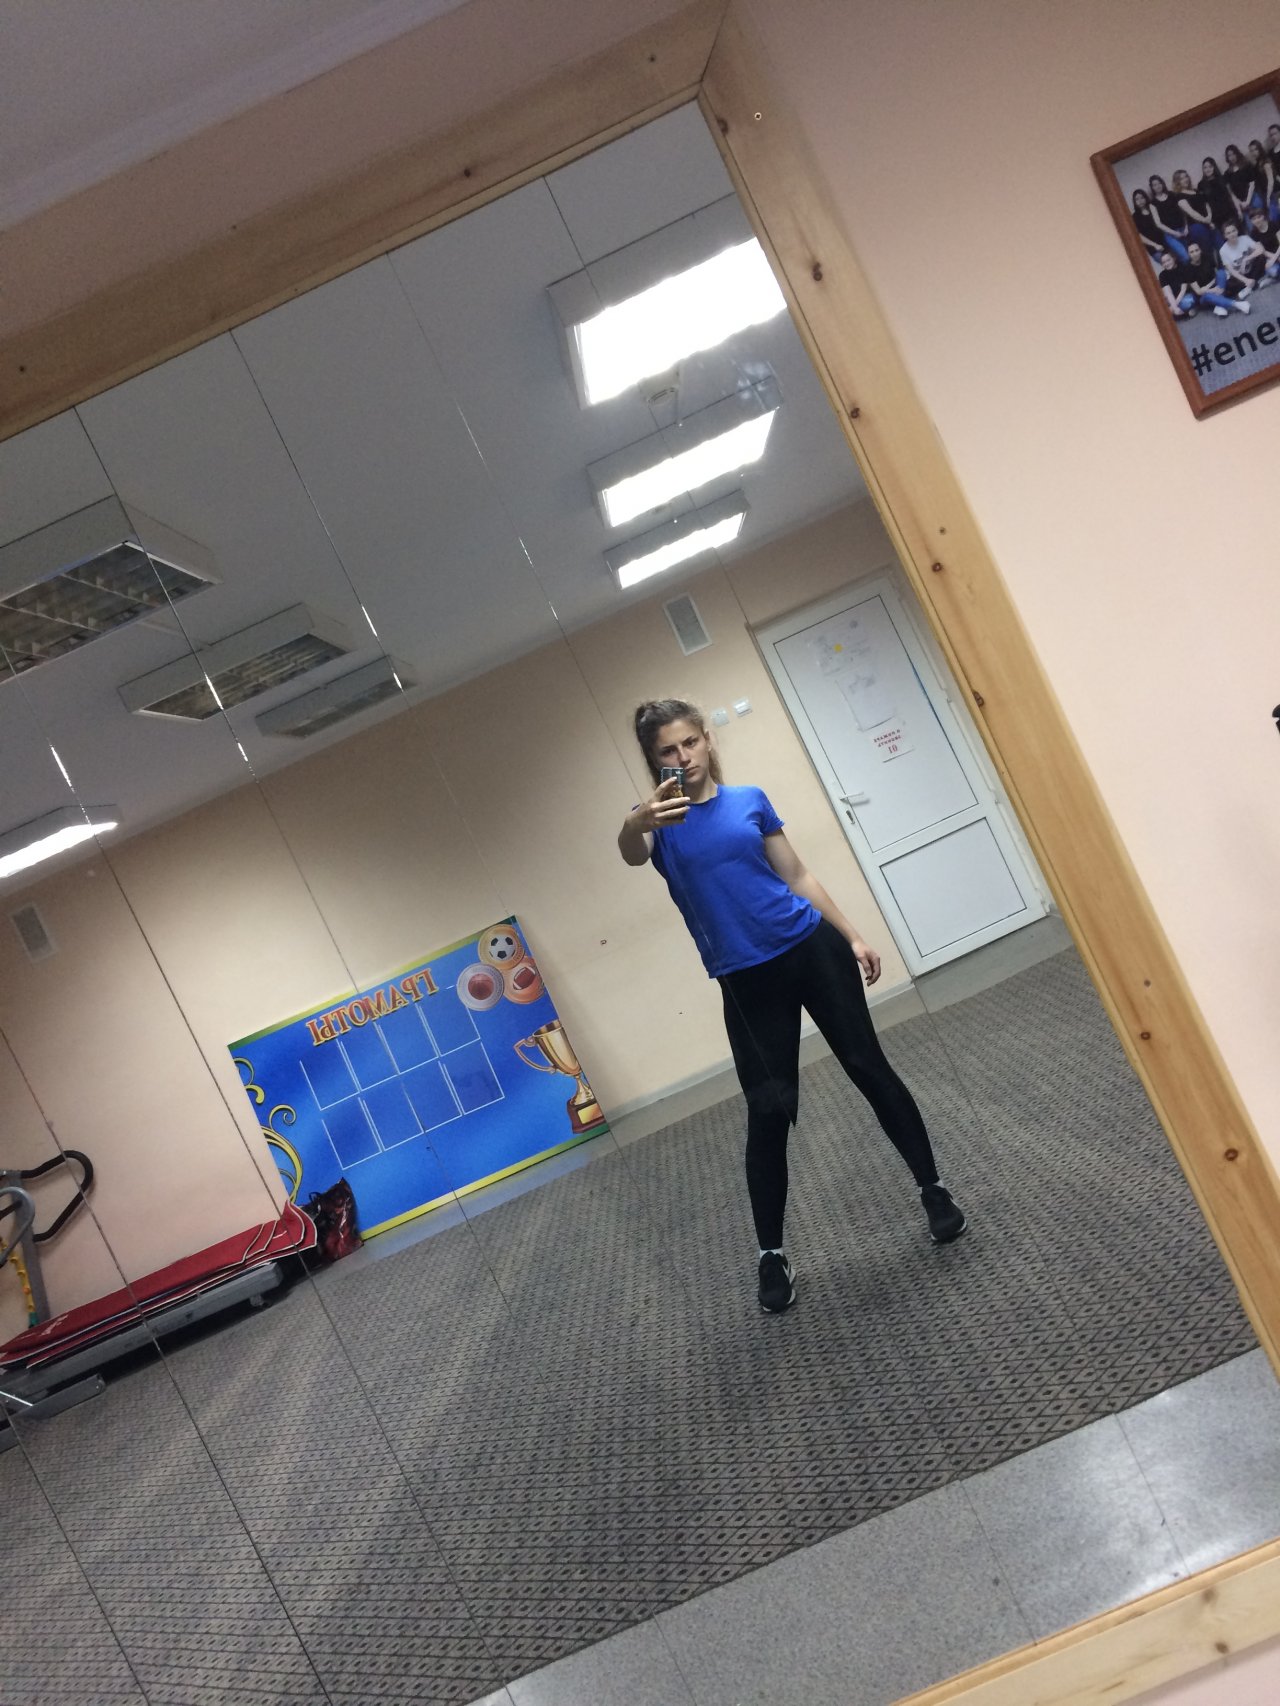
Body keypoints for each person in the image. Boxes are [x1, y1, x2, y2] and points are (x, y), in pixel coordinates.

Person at [618, 697, 966, 1315]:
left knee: (869, 1067)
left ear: (707, 740)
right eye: (668, 751)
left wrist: (852, 935)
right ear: (654, 760)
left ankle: (933, 1190)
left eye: (690, 742)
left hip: (810, 949)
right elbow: (629, 850)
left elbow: (797, 874)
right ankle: (771, 1255)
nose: (683, 757)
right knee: (769, 1109)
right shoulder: (657, 825)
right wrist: (636, 819)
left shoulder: (749, 800)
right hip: (745, 980)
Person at [1181, 239, 1251, 317]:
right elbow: (1199, 292)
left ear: (1200, 250)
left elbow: (1216, 275)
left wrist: (1213, 287)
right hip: (1204, 297)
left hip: (1216, 286)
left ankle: (1219, 305)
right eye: (1192, 252)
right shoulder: (1187, 269)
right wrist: (1211, 290)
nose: (1195, 254)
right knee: (1207, 295)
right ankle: (1237, 304)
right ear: (1188, 254)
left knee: (1221, 272)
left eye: (1196, 250)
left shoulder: (1207, 257)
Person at [1171, 169, 1217, 252]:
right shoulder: (1179, 196)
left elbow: (1206, 203)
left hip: (1209, 221)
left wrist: (1209, 216)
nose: (1185, 179)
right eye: (1181, 179)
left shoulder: (1196, 190)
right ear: (1177, 182)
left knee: (1220, 245)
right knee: (1209, 250)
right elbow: (1192, 213)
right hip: (1197, 226)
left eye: (1186, 176)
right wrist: (1207, 221)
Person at [1147, 174, 1189, 260]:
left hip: (1184, 229)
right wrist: (1174, 233)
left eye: (1159, 183)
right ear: (1152, 187)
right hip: (1170, 235)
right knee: (1185, 256)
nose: (1158, 186)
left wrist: (1186, 227)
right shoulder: (1152, 204)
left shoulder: (1172, 194)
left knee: (1192, 252)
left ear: (1162, 183)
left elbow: (1183, 211)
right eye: (1155, 185)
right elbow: (1158, 224)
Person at [1218, 219, 1268, 291]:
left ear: (1237, 231)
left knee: (1261, 257)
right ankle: (1254, 282)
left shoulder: (1245, 238)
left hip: (1251, 268)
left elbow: (1260, 249)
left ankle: (1251, 284)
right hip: (1240, 275)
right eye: (1228, 233)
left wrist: (1246, 259)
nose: (1232, 234)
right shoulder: (1223, 250)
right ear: (1225, 236)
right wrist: (1245, 280)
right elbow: (1231, 270)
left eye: (1233, 231)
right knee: (1229, 285)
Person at [1198, 157, 1238, 235]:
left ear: (1214, 167)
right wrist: (1210, 220)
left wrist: (1238, 210)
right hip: (1216, 217)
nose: (1208, 169)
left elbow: (1231, 195)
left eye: (1210, 166)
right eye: (1205, 167)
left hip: (1230, 212)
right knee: (1226, 238)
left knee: (1238, 234)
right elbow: (1205, 204)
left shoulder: (1223, 179)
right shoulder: (1201, 185)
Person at [1223, 143, 1261, 225]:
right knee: (1251, 226)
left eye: (1233, 154)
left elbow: (1252, 184)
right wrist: (1239, 206)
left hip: (1253, 197)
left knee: (1261, 219)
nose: (1232, 157)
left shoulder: (1247, 166)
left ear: (1237, 154)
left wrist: (1247, 201)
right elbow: (1231, 193)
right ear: (1227, 158)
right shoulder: (1227, 174)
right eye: (1229, 155)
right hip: (1241, 204)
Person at [1157, 249, 1196, 318]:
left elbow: (1183, 290)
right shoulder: (1162, 275)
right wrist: (1174, 307)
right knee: (1159, 306)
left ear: (1174, 259)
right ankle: (1185, 314)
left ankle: (1174, 314)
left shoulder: (1182, 268)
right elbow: (1168, 293)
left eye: (1168, 260)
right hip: (1172, 299)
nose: (1166, 264)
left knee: (1187, 303)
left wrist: (1173, 307)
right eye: (1164, 262)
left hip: (1185, 296)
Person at [1247, 206, 1280, 281]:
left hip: (1278, 251)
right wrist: (1275, 258)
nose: (1257, 220)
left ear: (1263, 216)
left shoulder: (1273, 224)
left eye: (1259, 217)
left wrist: (1277, 256)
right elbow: (1262, 251)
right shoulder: (1253, 233)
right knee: (1273, 271)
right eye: (1254, 219)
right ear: (1251, 221)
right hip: (1269, 256)